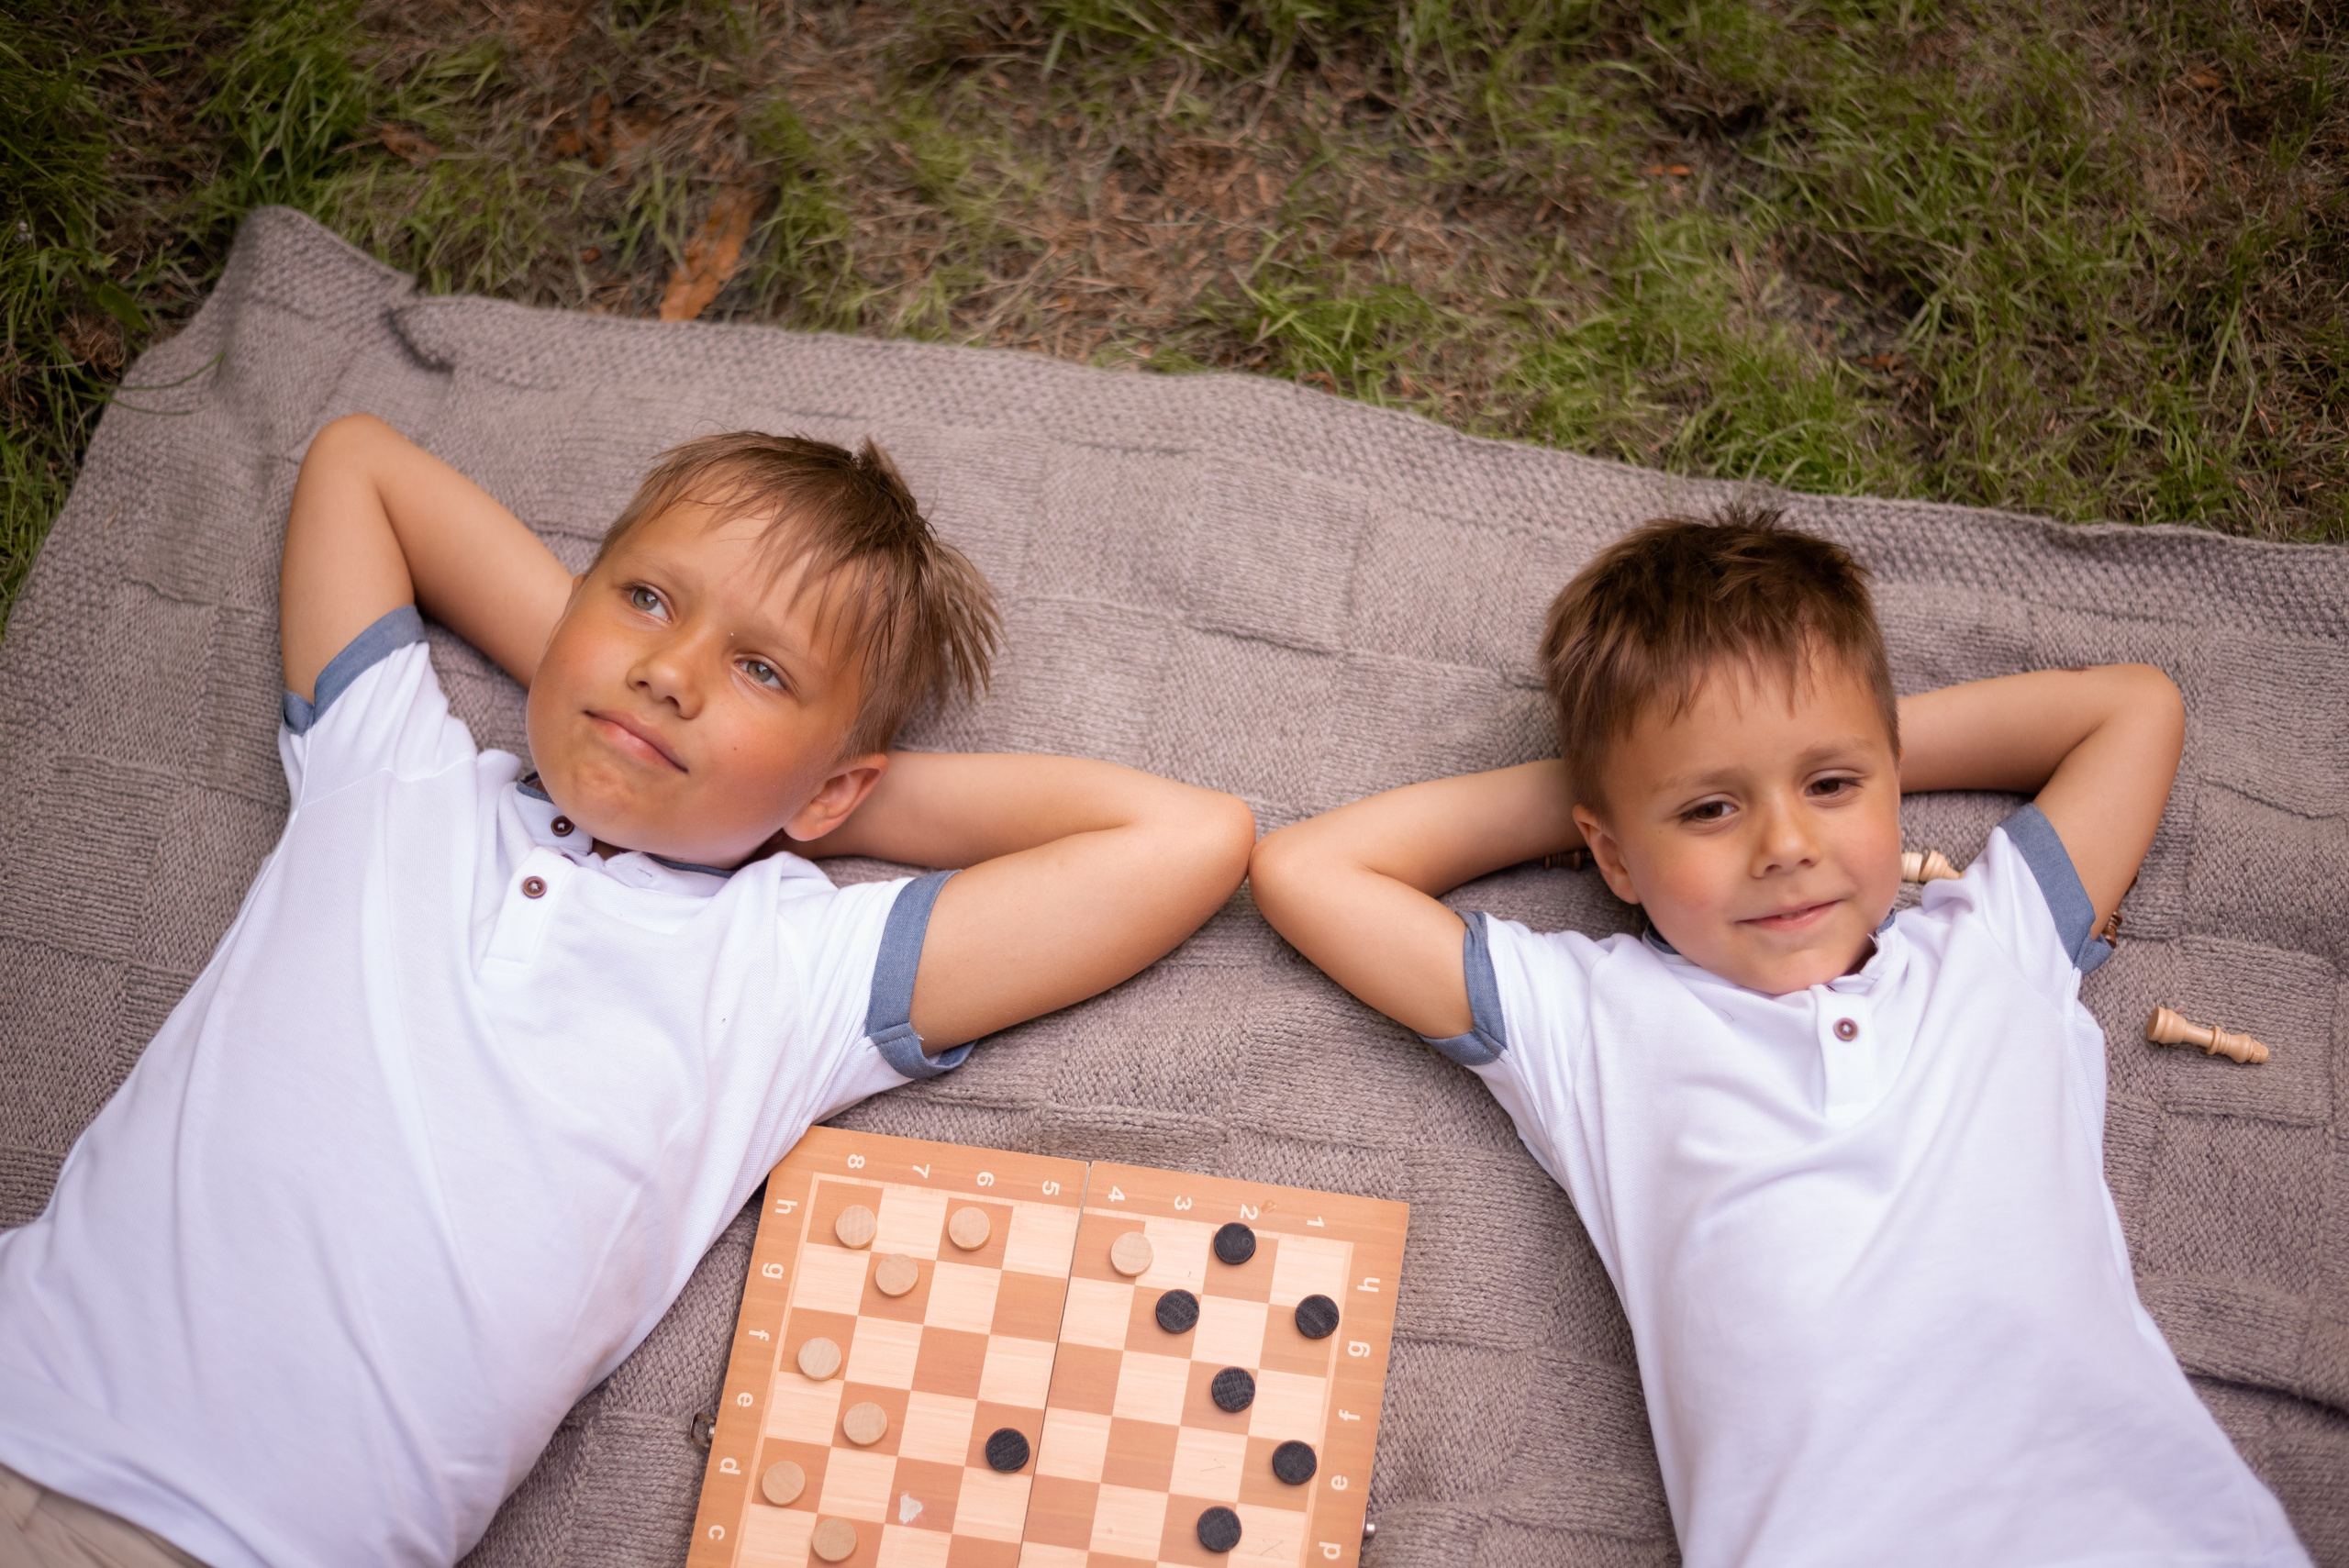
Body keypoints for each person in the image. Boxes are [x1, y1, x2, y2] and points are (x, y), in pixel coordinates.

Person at [0, 417, 1257, 1568]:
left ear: (837, 792)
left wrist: (805, 802)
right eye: (647, 600)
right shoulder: (392, 770)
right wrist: (609, 677)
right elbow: (358, 467)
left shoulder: (789, 965)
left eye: (763, 671)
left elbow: (1189, 839)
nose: (672, 671)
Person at [1248, 506, 2310, 1567]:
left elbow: (2133, 709)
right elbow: (1307, 871)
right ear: (1609, 859)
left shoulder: (1996, 941)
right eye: (1710, 810)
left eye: (1831, 785)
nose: (1787, 844)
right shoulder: (1589, 1020)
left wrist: (1818, 745)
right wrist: (1608, 784)